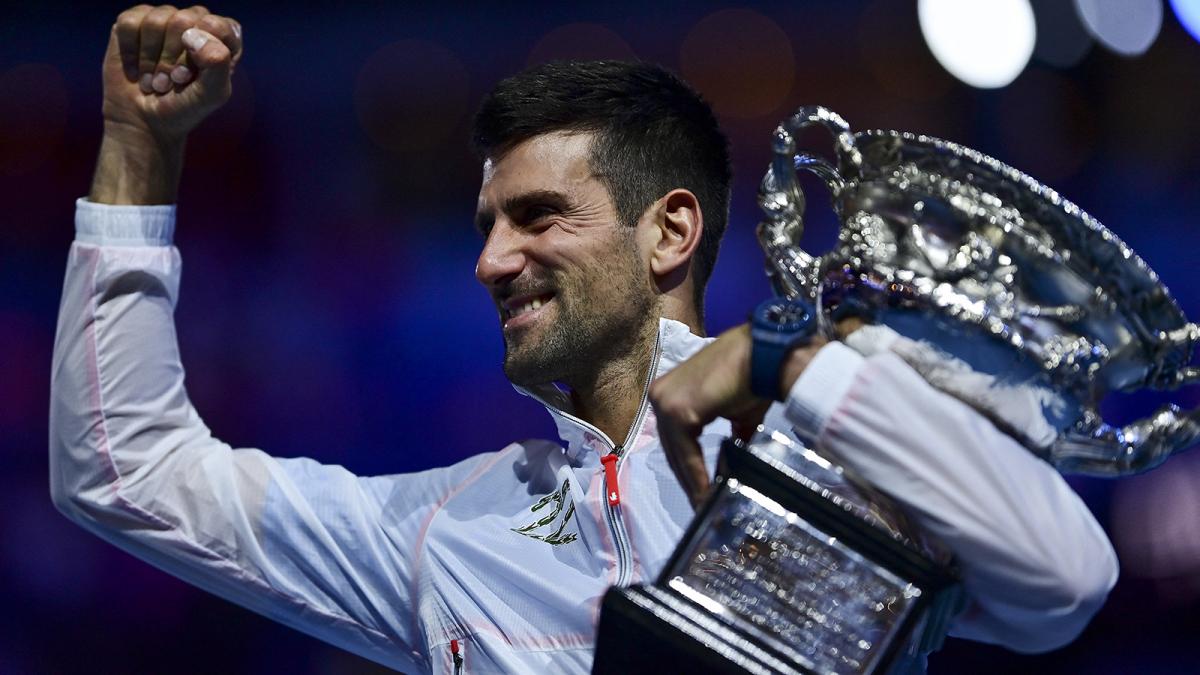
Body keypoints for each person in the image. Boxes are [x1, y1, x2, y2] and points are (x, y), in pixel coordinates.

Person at [50, 5, 1118, 673]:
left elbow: (1066, 581)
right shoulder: (444, 531)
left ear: (671, 232)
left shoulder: (833, 441)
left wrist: (794, 362)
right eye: (485, 228)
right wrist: (138, 153)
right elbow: (123, 472)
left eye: (539, 217)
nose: (491, 261)